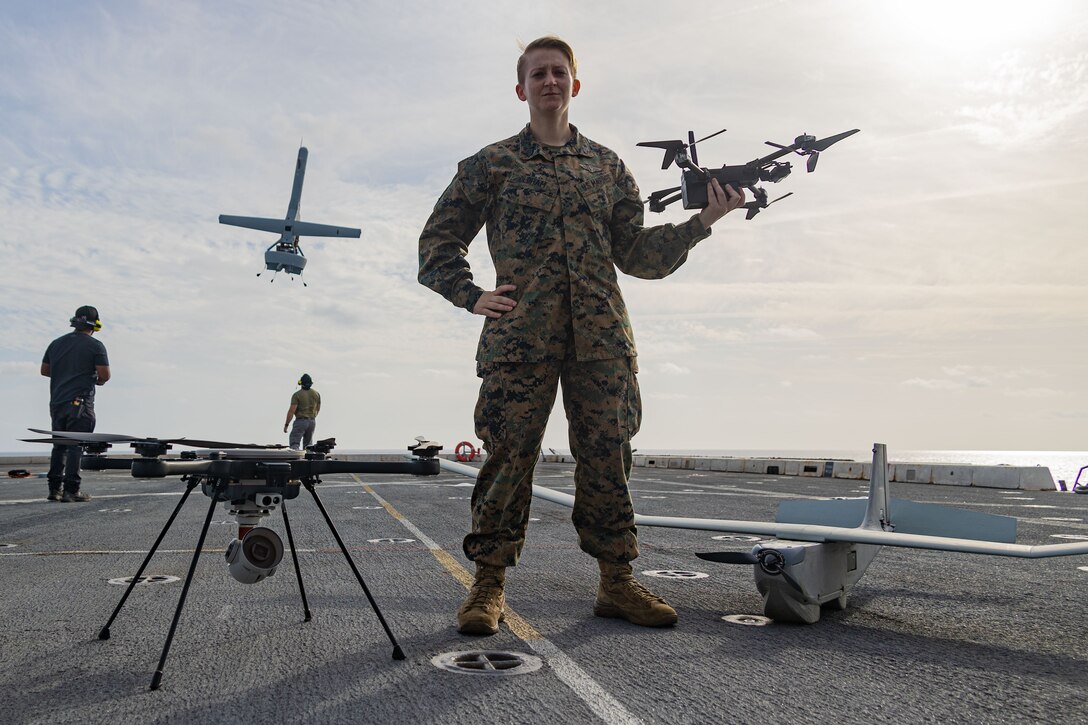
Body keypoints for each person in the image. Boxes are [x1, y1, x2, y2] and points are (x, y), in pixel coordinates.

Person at [418, 36, 745, 635]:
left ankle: (616, 583)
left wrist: (703, 222)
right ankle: (487, 586)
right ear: (521, 89)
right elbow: (437, 247)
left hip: (602, 340)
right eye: (538, 74)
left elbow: (637, 256)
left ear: (575, 84)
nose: (549, 81)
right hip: (520, 340)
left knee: (608, 457)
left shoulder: (608, 167)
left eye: (559, 73)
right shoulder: (489, 165)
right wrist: (472, 296)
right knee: (508, 458)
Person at [40, 305, 111, 502]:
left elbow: (45, 370)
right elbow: (105, 375)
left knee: (59, 446)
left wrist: (66, 374)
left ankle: (54, 490)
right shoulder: (95, 346)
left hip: (57, 402)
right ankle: (72, 490)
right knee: (76, 446)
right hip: (80, 403)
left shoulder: (56, 344)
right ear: (95, 326)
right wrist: (93, 378)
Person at [284, 373, 321, 450]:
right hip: (312, 422)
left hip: (301, 421)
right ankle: (308, 460)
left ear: (301, 383)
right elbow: (318, 409)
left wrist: (286, 425)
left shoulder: (297, 395)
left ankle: (296, 461)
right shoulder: (316, 394)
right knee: (308, 446)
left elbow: (291, 411)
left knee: (294, 442)